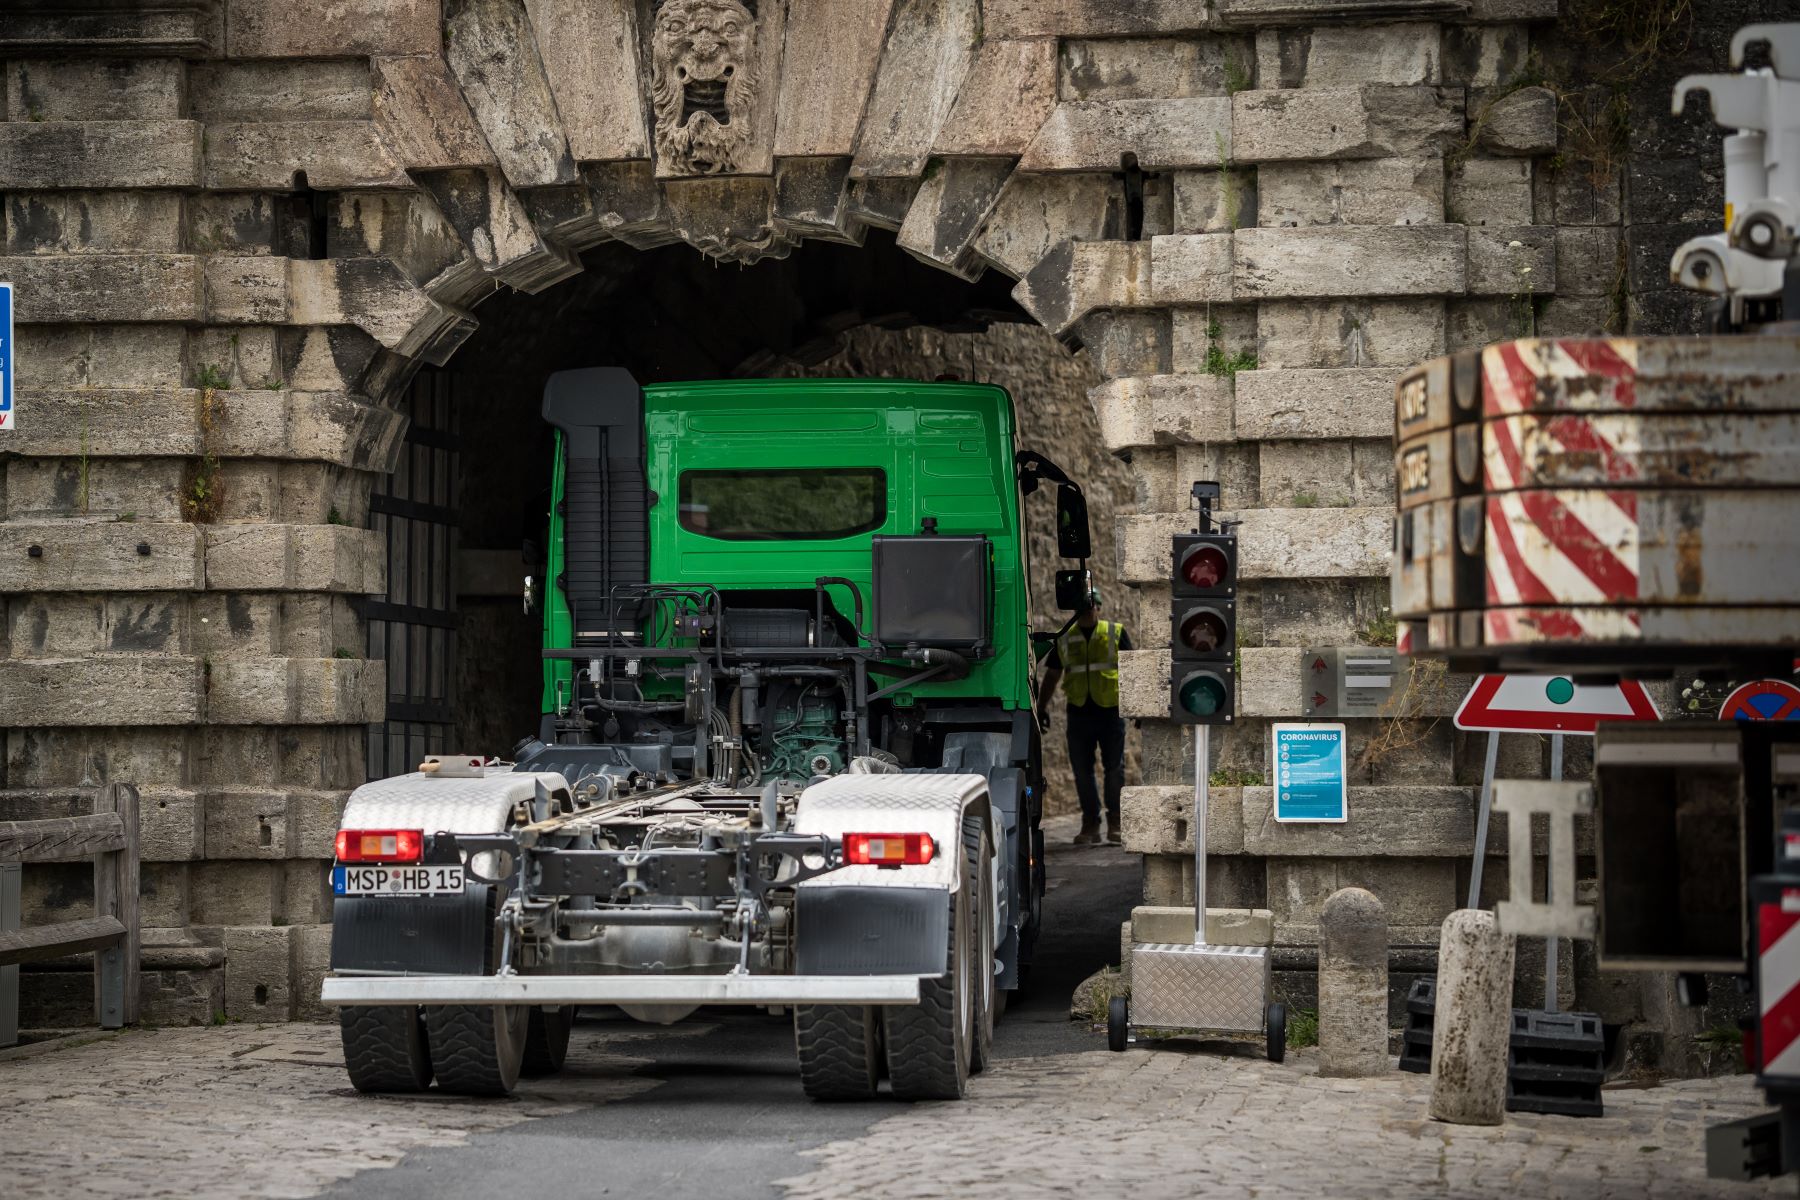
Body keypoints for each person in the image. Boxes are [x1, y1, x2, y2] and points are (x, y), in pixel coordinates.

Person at [1035, 589, 1131, 845]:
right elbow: (1052, 676)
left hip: (1111, 711)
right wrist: (1042, 707)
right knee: (1082, 771)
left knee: (1114, 768)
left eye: (1091, 604)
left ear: (1098, 607)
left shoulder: (1115, 632)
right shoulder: (1065, 638)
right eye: (1084, 605)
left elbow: (1133, 671)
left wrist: (1139, 709)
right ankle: (1091, 823)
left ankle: (1116, 821)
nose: (1088, 609)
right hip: (1079, 712)